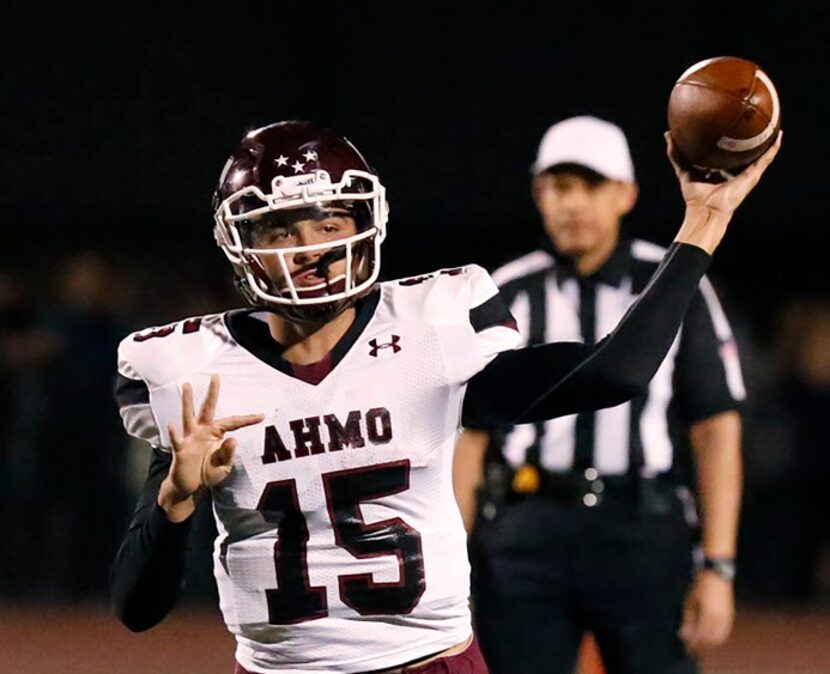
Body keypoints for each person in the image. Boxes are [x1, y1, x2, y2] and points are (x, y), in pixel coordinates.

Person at [109, 120, 780, 674]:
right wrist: (174, 500)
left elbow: (616, 374)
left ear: (362, 223)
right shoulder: (196, 374)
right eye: (281, 230)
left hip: (430, 664)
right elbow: (136, 609)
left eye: (326, 223)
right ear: (241, 242)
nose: (308, 250)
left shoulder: (431, 333)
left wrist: (705, 222)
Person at [455, 116, 749, 674]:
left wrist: (719, 565)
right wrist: (450, 562)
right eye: (558, 186)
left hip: (641, 527)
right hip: (525, 528)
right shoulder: (503, 291)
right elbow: (469, 437)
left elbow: (715, 427)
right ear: (538, 194)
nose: (572, 203)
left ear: (626, 194)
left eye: (590, 186)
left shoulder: (675, 283)